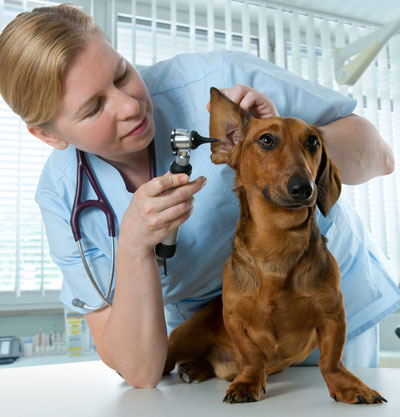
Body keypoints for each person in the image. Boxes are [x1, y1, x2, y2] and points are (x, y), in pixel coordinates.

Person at [0, 4, 399, 388]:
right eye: (94, 108)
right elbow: (139, 371)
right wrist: (134, 245)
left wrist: (283, 148)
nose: (130, 105)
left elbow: (380, 156)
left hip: (320, 313)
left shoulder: (221, 82)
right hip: (219, 343)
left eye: (121, 75)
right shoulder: (62, 199)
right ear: (49, 135)